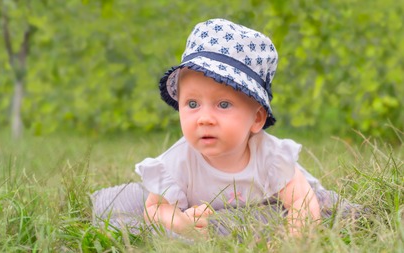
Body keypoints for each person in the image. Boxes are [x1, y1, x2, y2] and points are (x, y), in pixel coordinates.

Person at [91, 18, 360, 237]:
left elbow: (301, 201)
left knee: (326, 207)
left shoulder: (271, 157)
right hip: (208, 214)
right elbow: (155, 210)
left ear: (256, 119)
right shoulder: (176, 163)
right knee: (126, 207)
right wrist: (181, 223)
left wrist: (291, 241)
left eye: (222, 105)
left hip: (272, 200)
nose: (204, 118)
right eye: (193, 103)